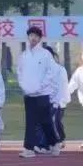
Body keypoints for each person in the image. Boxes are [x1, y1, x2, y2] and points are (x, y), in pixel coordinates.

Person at [17, 27, 58, 157]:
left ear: (40, 39)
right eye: (31, 35)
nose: (33, 38)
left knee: (45, 121)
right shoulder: (24, 55)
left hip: (42, 93)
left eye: (36, 36)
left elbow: (51, 72)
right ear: (28, 37)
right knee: (30, 121)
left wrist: (41, 86)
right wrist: (24, 86)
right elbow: (19, 72)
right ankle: (29, 149)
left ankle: (54, 143)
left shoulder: (45, 54)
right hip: (29, 94)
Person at [45, 46, 70, 151]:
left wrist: (57, 102)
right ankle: (49, 142)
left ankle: (59, 140)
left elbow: (62, 86)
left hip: (58, 101)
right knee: (48, 122)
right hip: (46, 100)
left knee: (55, 121)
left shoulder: (60, 69)